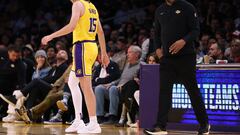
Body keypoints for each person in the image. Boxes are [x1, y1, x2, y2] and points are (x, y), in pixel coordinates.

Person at [41, 0, 109, 134]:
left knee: (86, 86)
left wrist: (51, 36)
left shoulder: (77, 5)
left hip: (82, 47)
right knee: (72, 82)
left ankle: (94, 123)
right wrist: (104, 53)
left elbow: (71, 27)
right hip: (91, 46)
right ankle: (78, 120)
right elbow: (100, 32)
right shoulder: (92, 7)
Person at [144, 0, 210, 135]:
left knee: (192, 91)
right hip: (167, 59)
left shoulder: (187, 7)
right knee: (164, 92)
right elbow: (156, 33)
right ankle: (160, 126)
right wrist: (157, 50)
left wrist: (183, 41)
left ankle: (204, 124)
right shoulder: (160, 10)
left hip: (186, 57)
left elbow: (195, 30)